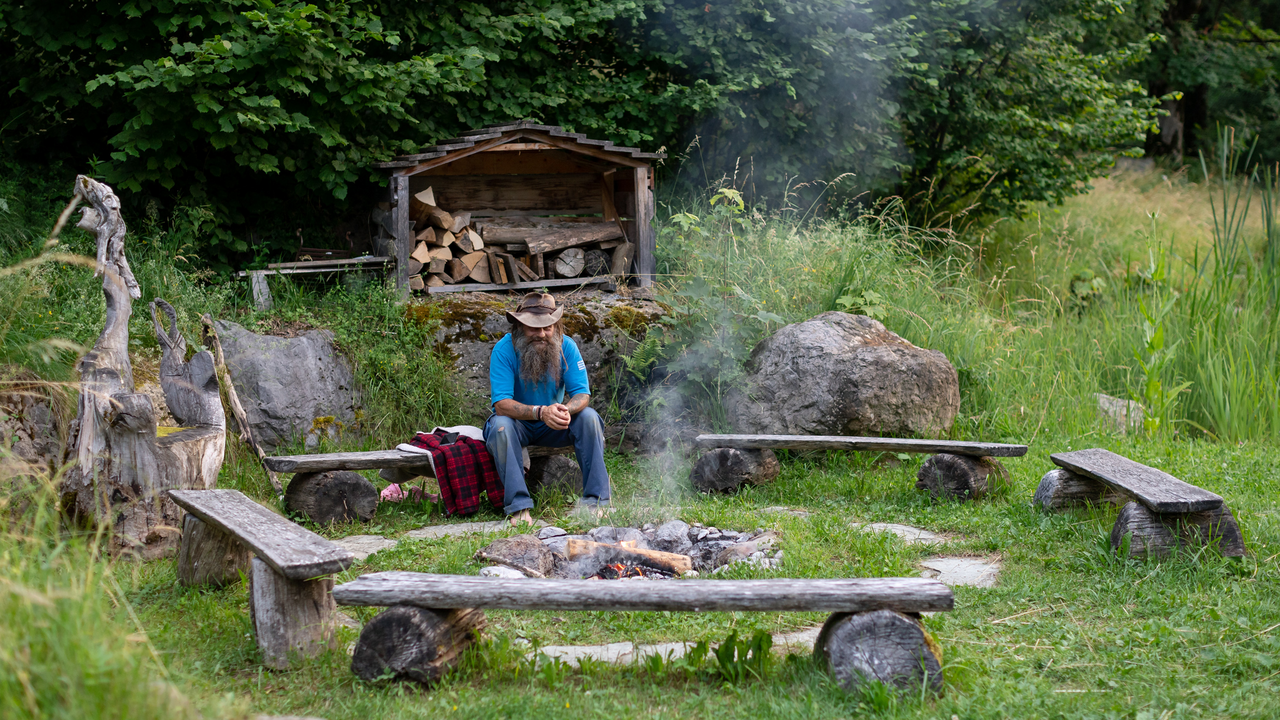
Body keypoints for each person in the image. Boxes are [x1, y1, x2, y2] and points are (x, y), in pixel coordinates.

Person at [485, 292, 611, 526]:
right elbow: (501, 405)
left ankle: (597, 502)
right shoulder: (503, 350)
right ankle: (519, 508)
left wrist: (565, 410)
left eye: (548, 327)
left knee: (589, 418)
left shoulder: (567, 346)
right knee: (500, 426)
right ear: (520, 326)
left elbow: (582, 394)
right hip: (517, 424)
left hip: (554, 424)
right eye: (534, 328)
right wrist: (540, 412)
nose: (541, 334)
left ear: (556, 326)